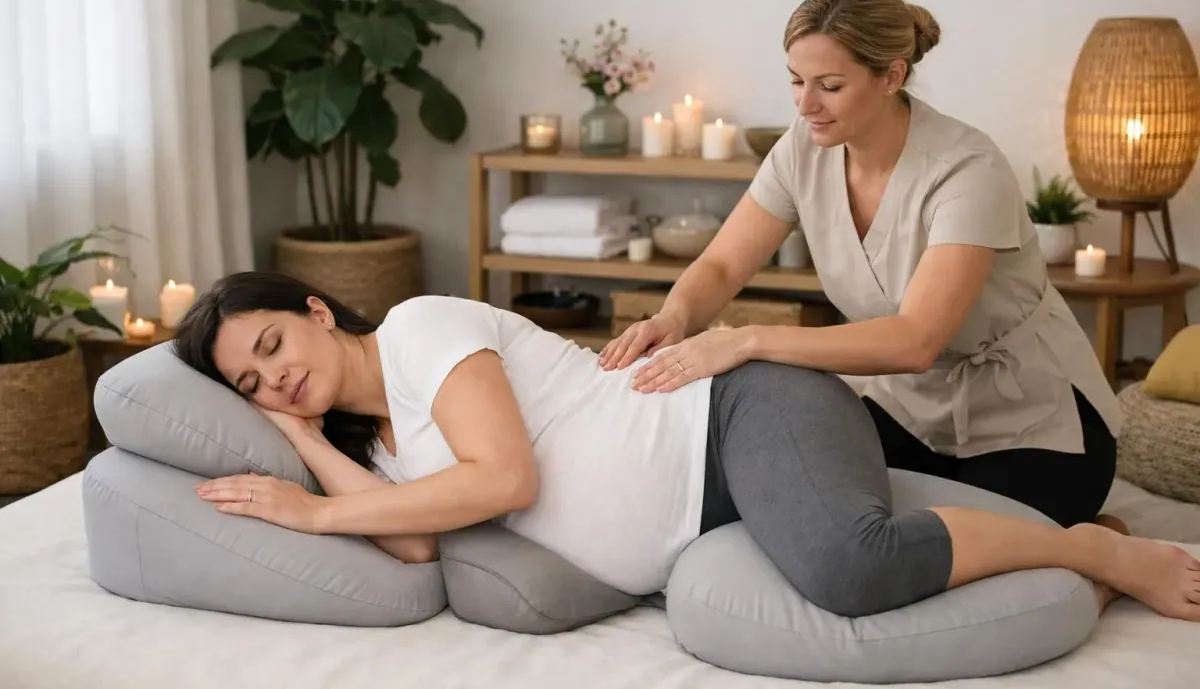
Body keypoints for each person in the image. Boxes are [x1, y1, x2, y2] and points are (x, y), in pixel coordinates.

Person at [176, 271, 1200, 621]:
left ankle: (1095, 547)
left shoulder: (417, 328)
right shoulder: (379, 447)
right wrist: (297, 433)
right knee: (863, 529)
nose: (278, 374)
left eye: (274, 345)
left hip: (737, 411)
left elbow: (503, 477)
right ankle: (1073, 536)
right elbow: (410, 544)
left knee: (850, 562)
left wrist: (313, 509)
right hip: (711, 503)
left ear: (315, 307)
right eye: (251, 381)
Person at [600, 0, 1122, 533]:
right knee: (813, 512)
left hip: (1035, 423)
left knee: (941, 544)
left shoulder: (968, 170)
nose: (806, 105)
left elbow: (916, 340)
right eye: (796, 81)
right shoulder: (801, 150)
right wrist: (674, 317)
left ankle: (1102, 550)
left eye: (829, 85)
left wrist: (745, 340)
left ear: (891, 75)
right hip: (910, 411)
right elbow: (724, 263)